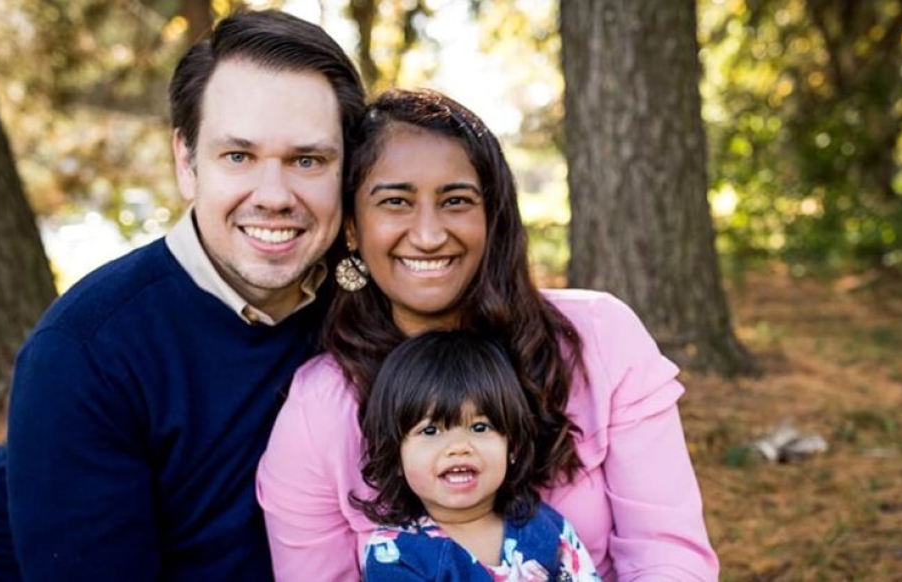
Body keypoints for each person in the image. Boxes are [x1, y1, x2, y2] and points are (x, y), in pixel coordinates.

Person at [0, 9, 365, 582]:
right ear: (186, 163)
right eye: (237, 156)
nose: (274, 195)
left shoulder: (365, 302)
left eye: (307, 160)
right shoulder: (88, 348)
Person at [256, 88, 720, 581]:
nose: (430, 234)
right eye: (396, 202)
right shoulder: (319, 411)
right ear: (352, 226)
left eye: (456, 200)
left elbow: (667, 555)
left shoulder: (600, 340)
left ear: (491, 216)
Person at [356, 330, 602, 581]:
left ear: (513, 446)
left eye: (480, 427)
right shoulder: (395, 555)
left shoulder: (543, 526)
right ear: (396, 455)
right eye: (430, 431)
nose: (459, 446)